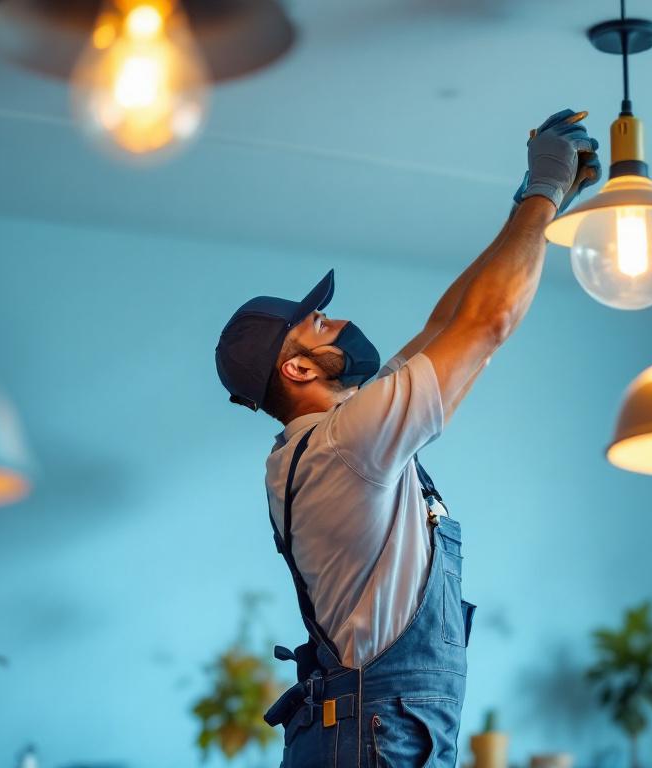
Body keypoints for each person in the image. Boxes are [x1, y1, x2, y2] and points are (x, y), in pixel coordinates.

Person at [215, 109, 600, 767]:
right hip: (374, 742)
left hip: (369, 736)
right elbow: (489, 322)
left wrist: (529, 206)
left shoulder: (327, 444)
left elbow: (449, 320)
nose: (339, 321)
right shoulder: (348, 443)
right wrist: (547, 184)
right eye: (320, 324)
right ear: (298, 368)